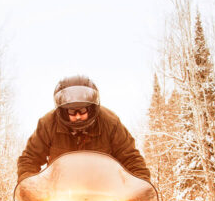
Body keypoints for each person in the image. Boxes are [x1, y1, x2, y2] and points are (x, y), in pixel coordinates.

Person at [17, 75, 151, 183]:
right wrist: (29, 186)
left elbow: (131, 158)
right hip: (58, 195)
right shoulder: (47, 124)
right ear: (63, 111)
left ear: (92, 108)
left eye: (82, 110)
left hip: (105, 194)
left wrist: (141, 186)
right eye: (71, 112)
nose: (78, 116)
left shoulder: (111, 123)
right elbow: (29, 159)